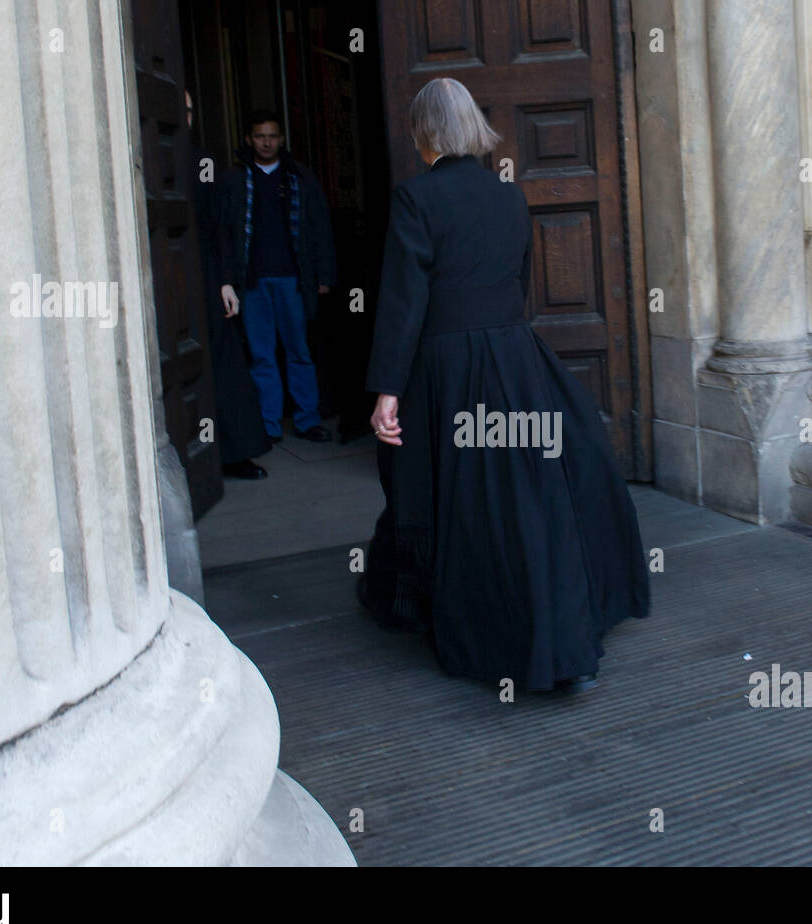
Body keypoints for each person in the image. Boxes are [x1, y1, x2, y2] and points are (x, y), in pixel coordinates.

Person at [357, 77, 650, 693]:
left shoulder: (415, 199)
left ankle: (468, 617)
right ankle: (555, 628)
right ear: (473, 128)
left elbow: (404, 302)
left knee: (450, 493)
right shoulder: (510, 198)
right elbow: (517, 286)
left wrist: (387, 389)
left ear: (422, 132)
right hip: (515, 357)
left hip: (444, 367)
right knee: (528, 493)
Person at [219, 109, 336, 443]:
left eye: (272, 136)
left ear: (281, 139)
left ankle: (307, 419)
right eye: (260, 136)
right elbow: (225, 235)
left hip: (294, 279)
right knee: (261, 355)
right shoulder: (234, 179)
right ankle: (267, 424)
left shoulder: (300, 177)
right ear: (248, 139)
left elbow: (319, 228)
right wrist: (227, 278)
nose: (266, 142)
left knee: (299, 350)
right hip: (253, 281)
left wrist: (324, 274)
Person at [186, 91, 271, 479]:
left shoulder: (203, 162)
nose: (184, 116)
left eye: (189, 109)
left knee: (225, 363)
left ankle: (234, 453)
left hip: (205, 275)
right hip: (166, 280)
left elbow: (219, 226)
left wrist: (225, 281)